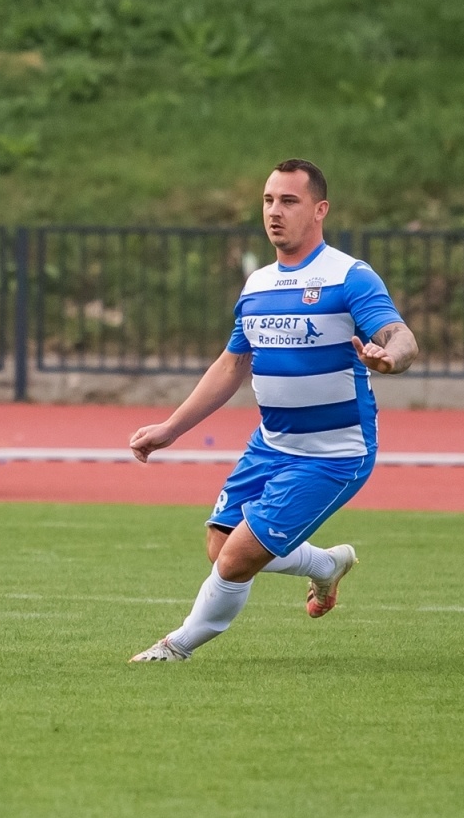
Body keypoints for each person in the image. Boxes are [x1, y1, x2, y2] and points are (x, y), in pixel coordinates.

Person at [127, 159, 419, 662]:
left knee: (237, 559)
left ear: (319, 210)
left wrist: (391, 357)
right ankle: (324, 565)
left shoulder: (349, 276)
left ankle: (176, 647)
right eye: (268, 200)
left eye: (289, 201)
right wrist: (170, 428)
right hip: (272, 445)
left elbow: (400, 334)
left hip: (333, 455)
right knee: (221, 547)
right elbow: (232, 363)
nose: (274, 212)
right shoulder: (258, 284)